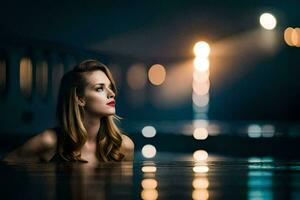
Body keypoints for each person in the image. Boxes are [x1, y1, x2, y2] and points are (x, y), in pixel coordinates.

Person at [3, 59, 134, 163]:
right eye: (99, 88)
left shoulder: (124, 146)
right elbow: (6, 165)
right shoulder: (49, 142)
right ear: (80, 99)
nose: (111, 93)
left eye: (110, 87)